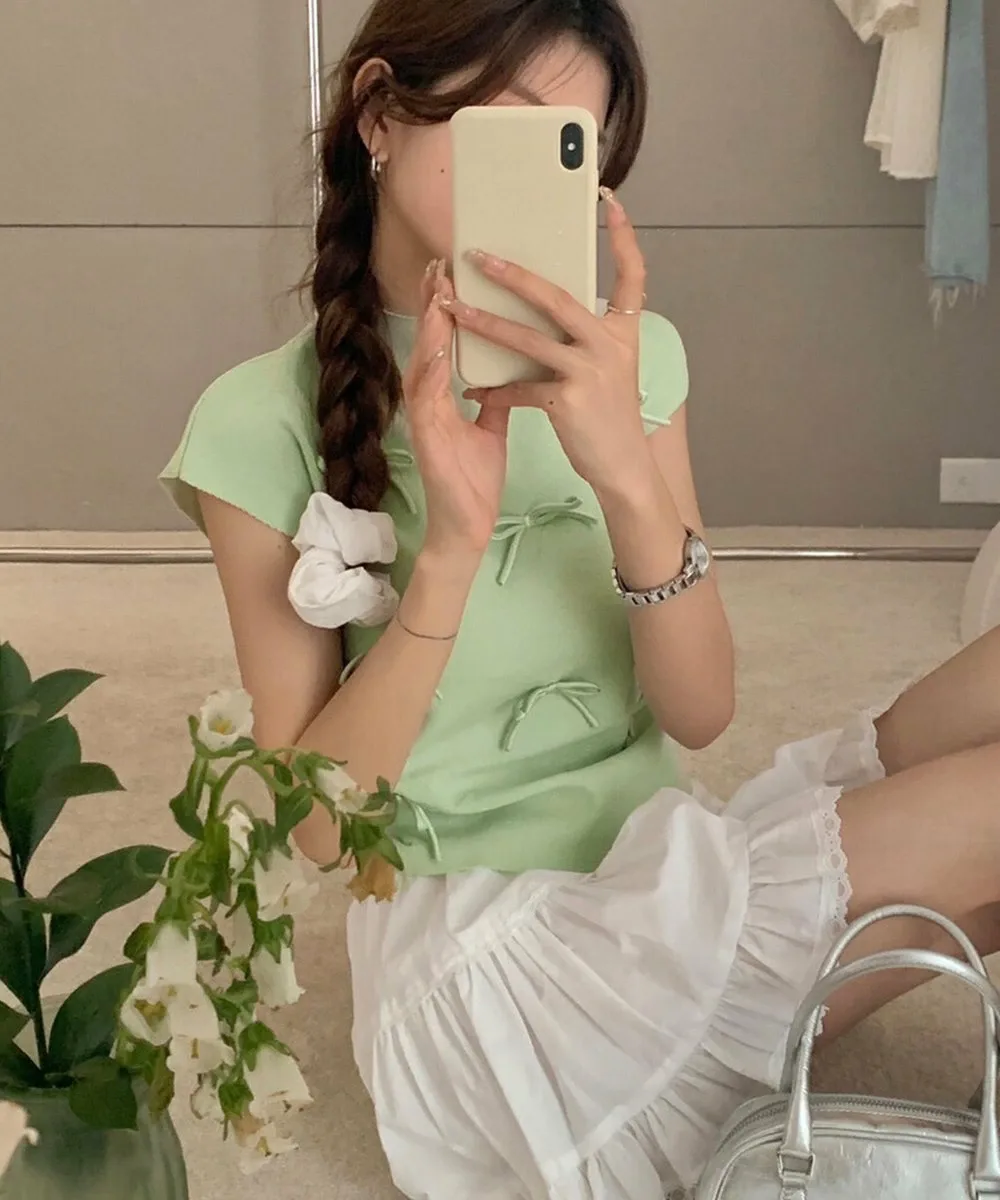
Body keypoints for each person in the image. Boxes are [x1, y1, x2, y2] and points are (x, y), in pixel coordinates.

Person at [160, 0, 1000, 1195]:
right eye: (506, 128)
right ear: (380, 114)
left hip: (657, 861)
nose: (541, 172)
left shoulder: (635, 361)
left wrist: (624, 478)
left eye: (571, 146)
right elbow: (314, 828)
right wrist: (448, 554)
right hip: (495, 970)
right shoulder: (256, 420)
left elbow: (698, 712)